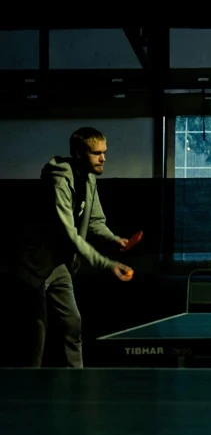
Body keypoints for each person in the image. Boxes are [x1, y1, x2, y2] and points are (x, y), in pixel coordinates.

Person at [12, 127, 134, 368]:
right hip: (32, 265)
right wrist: (108, 264)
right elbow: (70, 235)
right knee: (37, 335)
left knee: (73, 324)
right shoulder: (59, 182)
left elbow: (95, 221)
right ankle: (26, 389)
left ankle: (76, 380)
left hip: (59, 264)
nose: (103, 158)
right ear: (79, 153)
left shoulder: (89, 179)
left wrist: (114, 239)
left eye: (104, 152)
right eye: (96, 153)